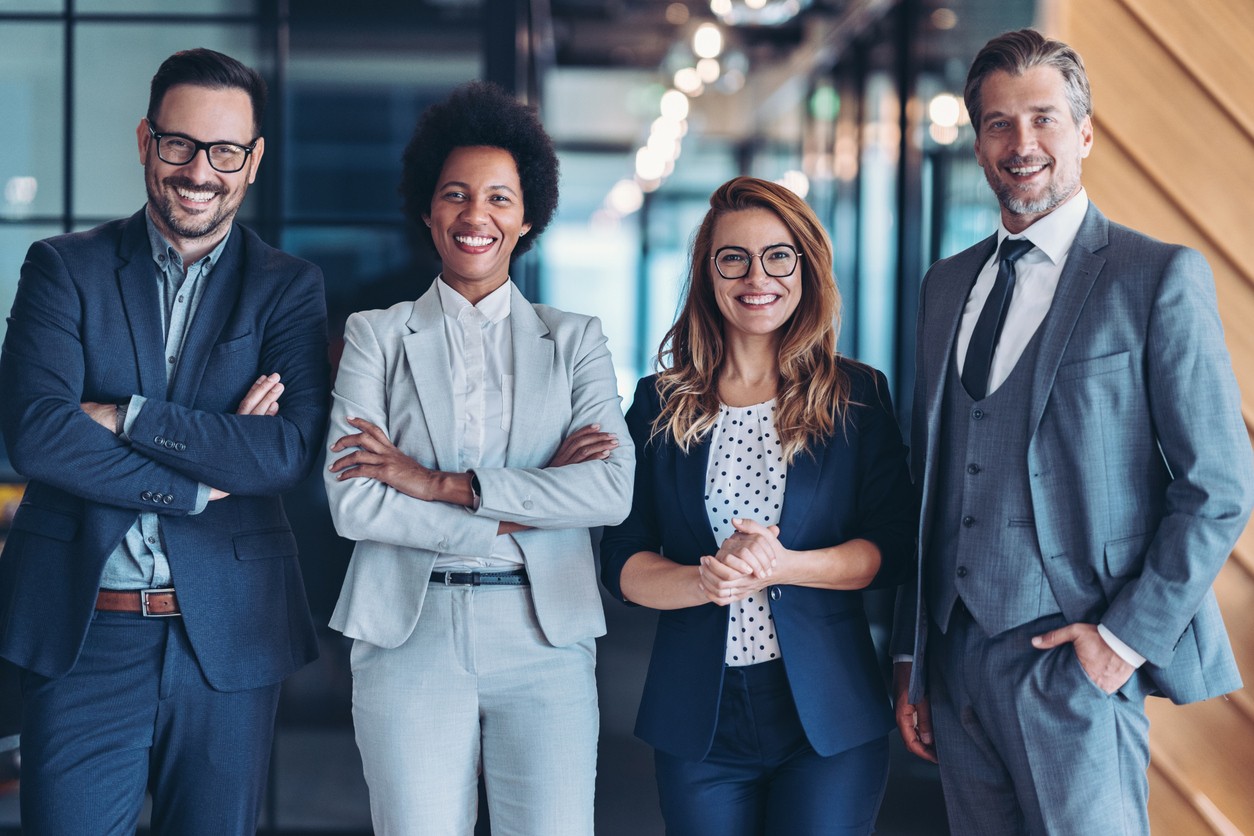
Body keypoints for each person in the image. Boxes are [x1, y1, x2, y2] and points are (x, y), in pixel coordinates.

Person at [891, 27, 1254, 835]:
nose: (1021, 144)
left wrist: (1123, 641)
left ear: (1084, 134)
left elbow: (1220, 486)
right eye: (999, 123)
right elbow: (931, 481)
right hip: (954, 658)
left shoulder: (1154, 277)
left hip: (1076, 661)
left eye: (1043, 119)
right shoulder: (945, 286)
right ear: (978, 144)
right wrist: (913, 652)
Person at [0, 48, 329, 834]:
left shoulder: (287, 288)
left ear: (253, 161)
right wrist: (194, 480)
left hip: (230, 633)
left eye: (225, 152)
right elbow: (38, 434)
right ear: (147, 141)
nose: (199, 172)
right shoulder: (63, 269)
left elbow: (284, 452)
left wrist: (128, 416)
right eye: (180, 144)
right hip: (84, 630)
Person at [323, 80, 633, 836]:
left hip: (544, 635)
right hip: (408, 632)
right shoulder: (375, 335)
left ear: (527, 218)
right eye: (455, 195)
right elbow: (354, 503)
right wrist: (525, 506)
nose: (475, 216)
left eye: (499, 198)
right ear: (428, 211)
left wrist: (435, 484)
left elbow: (609, 491)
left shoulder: (575, 339)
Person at [600, 176, 914, 836]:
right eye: (733, 258)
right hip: (698, 716)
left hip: (828, 713)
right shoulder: (659, 402)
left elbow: (891, 550)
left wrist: (782, 565)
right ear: (707, 273)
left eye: (778, 256)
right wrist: (704, 581)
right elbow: (622, 560)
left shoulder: (856, 394)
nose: (756, 277)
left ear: (805, 266)